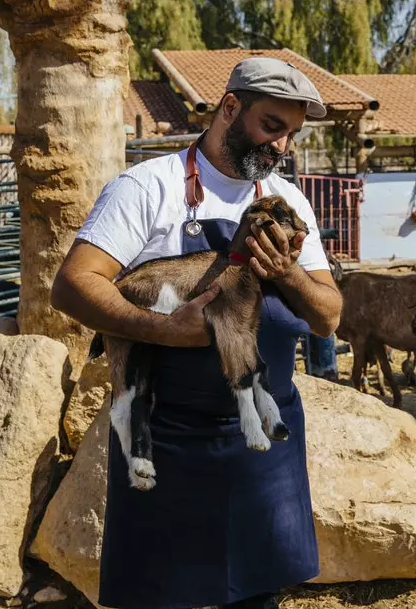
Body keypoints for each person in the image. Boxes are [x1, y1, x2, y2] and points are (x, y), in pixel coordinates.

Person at [50, 57, 343, 609]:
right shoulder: (146, 189)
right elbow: (71, 286)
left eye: (292, 134)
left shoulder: (288, 201)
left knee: (257, 598)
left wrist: (287, 273)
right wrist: (160, 328)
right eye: (271, 126)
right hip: (166, 442)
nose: (282, 147)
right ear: (230, 108)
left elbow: (327, 316)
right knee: (162, 596)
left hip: (265, 449)